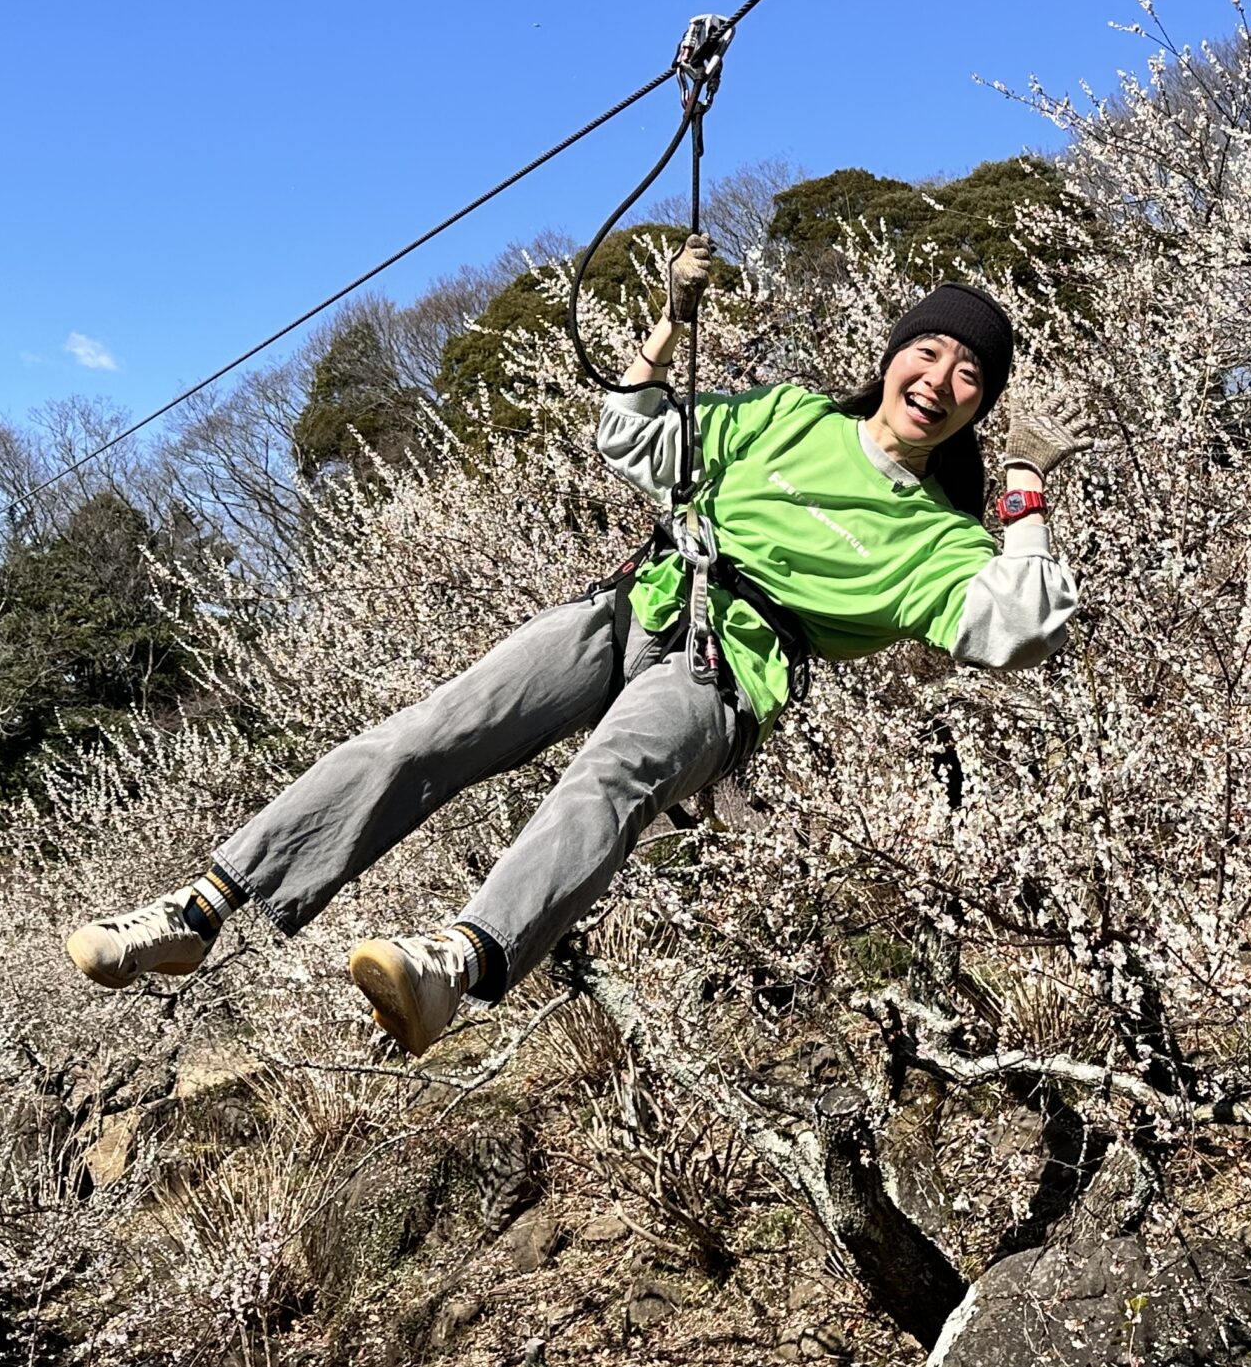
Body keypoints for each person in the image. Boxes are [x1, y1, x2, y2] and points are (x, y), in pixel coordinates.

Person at [64, 237, 1084, 1054]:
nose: (939, 376)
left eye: (969, 375)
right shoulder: (789, 417)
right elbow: (635, 437)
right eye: (929, 350)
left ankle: (451, 967)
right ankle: (197, 911)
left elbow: (1022, 626)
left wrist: (1024, 488)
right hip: (635, 603)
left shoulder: (943, 542)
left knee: (610, 775)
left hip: (722, 671)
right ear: (892, 355)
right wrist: (668, 325)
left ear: (979, 409)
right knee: (426, 735)